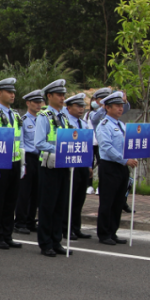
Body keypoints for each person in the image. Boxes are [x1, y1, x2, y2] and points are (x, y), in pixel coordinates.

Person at [0, 78, 24, 250]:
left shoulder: (15, 115)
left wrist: (22, 164)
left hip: (15, 162)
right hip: (0, 163)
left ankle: (7, 234)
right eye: (9, 92)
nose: (12, 94)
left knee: (11, 200)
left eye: (13, 92)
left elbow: (20, 140)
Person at [34, 80, 72, 257]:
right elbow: (39, 142)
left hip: (63, 165)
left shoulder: (64, 116)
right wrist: (59, 149)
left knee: (60, 205)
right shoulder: (44, 116)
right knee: (47, 205)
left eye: (63, 95)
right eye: (59, 95)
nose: (62, 98)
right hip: (48, 165)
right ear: (49, 96)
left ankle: (57, 240)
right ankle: (45, 242)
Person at [95, 91, 137, 245]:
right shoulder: (104, 125)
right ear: (107, 107)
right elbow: (106, 147)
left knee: (119, 200)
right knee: (107, 201)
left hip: (122, 167)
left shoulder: (121, 124)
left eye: (121, 106)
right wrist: (124, 160)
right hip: (110, 167)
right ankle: (104, 233)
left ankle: (113, 231)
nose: (120, 109)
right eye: (117, 106)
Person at [63, 92, 94, 241]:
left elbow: (88, 145)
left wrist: (89, 165)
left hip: (82, 163)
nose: (81, 109)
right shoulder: (65, 121)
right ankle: (66, 228)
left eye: (83, 106)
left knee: (79, 198)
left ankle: (76, 227)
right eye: (78, 106)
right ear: (68, 108)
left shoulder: (83, 123)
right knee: (69, 197)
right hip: (70, 163)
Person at [14, 89, 45, 235]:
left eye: (40, 102)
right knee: (24, 192)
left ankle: (31, 220)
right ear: (28, 103)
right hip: (28, 158)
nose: (39, 105)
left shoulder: (42, 120)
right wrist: (23, 161)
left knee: (37, 192)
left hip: (41, 158)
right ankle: (20, 221)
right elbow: (20, 141)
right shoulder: (23, 120)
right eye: (36, 102)